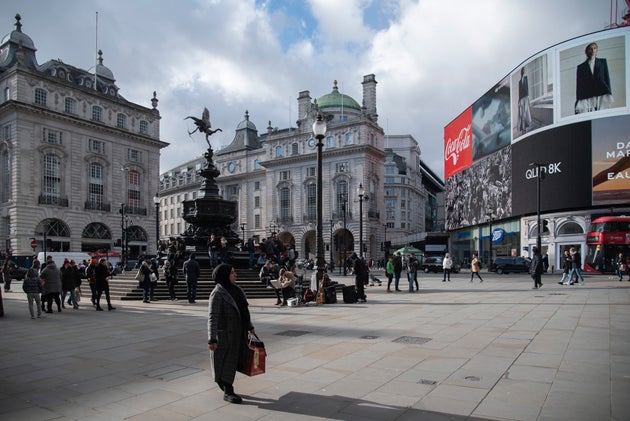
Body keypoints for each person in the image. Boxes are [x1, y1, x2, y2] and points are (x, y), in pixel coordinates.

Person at [208, 263, 255, 404]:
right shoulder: (217, 293)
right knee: (225, 362)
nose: (236, 275)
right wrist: (212, 338)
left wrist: (249, 326)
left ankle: (227, 386)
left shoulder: (237, 290)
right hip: (225, 335)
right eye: (232, 272)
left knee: (235, 361)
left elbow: (244, 310)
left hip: (238, 333)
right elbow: (213, 316)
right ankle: (227, 390)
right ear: (225, 276)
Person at [575, 42, 613, 114]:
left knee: (602, 112)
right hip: (587, 94)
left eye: (594, 48)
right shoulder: (581, 67)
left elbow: (606, 77)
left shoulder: (602, 62)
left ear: (597, 50)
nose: (592, 51)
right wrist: (578, 99)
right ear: (586, 52)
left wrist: (609, 92)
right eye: (590, 49)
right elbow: (579, 84)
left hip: (602, 91)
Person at [517, 67, 532, 135]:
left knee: (525, 113)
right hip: (521, 99)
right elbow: (519, 92)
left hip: (526, 97)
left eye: (524, 70)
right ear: (521, 71)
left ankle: (524, 128)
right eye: (523, 70)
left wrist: (528, 98)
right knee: (522, 114)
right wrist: (519, 101)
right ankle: (523, 129)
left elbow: (527, 88)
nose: (524, 71)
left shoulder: (526, 78)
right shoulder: (519, 82)